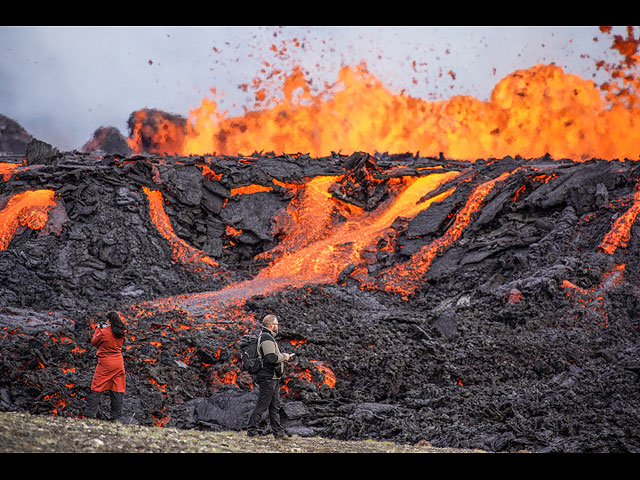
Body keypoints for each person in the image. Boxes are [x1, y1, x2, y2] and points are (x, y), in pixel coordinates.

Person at [247, 314, 293, 438]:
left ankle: (278, 433)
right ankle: (252, 431)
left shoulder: (267, 337)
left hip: (272, 377)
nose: (278, 327)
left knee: (274, 406)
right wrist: (285, 356)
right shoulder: (266, 338)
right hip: (267, 377)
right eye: (277, 324)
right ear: (271, 325)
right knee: (262, 405)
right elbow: (271, 358)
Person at [84, 311, 127, 422]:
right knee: (117, 388)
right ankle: (115, 418)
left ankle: (90, 415)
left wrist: (98, 328)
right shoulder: (122, 332)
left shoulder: (104, 332)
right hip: (118, 363)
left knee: (97, 386)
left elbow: (94, 342)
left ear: (108, 320)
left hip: (105, 363)